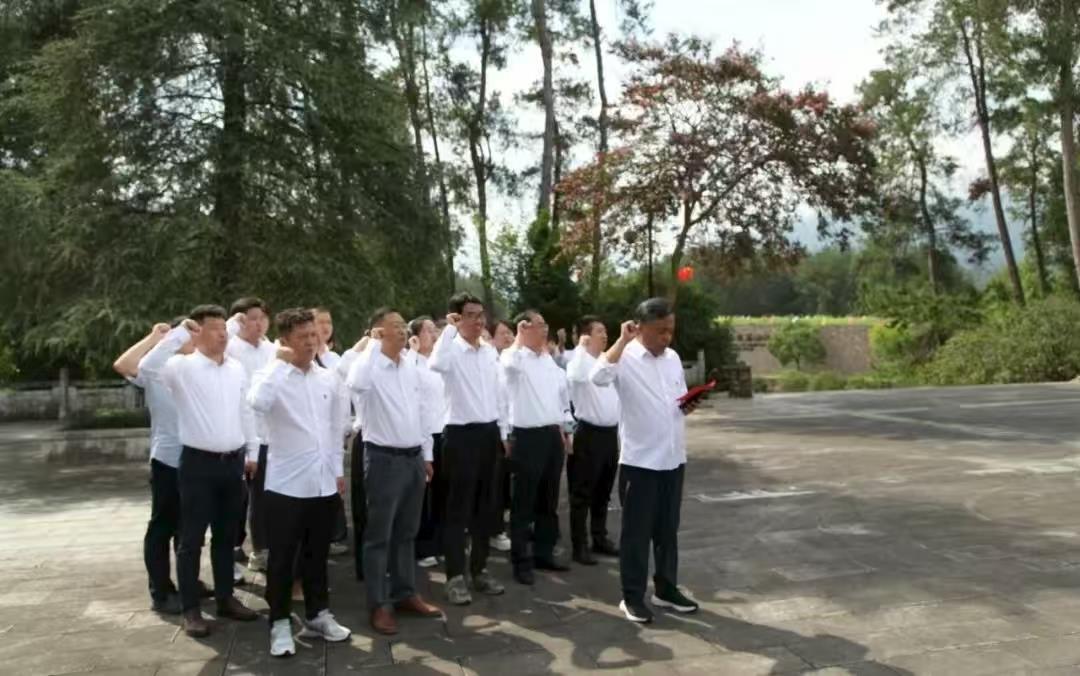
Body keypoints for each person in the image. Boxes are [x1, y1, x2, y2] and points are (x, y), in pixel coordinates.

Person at [139, 304, 260, 637]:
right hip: (197, 464)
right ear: (198, 332)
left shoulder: (235, 368)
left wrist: (252, 450)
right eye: (214, 328)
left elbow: (245, 411)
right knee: (191, 539)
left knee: (226, 536)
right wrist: (178, 335)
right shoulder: (182, 367)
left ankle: (225, 598)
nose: (223, 334)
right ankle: (191, 610)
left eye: (224, 327)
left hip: (232, 462)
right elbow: (147, 368)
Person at [247, 308, 352, 657]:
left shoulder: (328, 378)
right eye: (302, 337)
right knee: (281, 559)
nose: (310, 342)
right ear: (285, 341)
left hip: (322, 482)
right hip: (286, 485)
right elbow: (257, 402)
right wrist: (279, 363)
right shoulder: (271, 375)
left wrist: (337, 472)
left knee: (317, 555)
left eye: (313, 335)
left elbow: (336, 429)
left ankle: (318, 614)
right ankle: (279, 622)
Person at [590, 298, 700, 624]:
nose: (667, 337)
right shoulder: (625, 357)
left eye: (671, 330)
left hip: (673, 458)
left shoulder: (673, 358)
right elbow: (597, 377)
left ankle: (665, 589)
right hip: (640, 463)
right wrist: (621, 341)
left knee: (667, 531)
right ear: (640, 328)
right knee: (636, 535)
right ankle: (632, 597)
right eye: (660, 330)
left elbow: (675, 399)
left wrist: (687, 405)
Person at [346, 308, 443, 635]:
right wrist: (372, 347)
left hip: (413, 458)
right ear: (378, 332)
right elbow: (355, 383)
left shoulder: (410, 366)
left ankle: (405, 593)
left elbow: (422, 412)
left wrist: (427, 454)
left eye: (404, 326)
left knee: (406, 532)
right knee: (379, 536)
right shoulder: (369, 367)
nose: (403, 331)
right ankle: (379, 604)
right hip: (383, 459)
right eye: (395, 327)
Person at [114, 319, 205, 614]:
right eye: (188, 334)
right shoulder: (156, 370)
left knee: (189, 528)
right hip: (168, 459)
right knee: (163, 526)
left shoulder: (200, 369)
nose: (194, 340)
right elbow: (124, 364)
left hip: (197, 460)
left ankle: (189, 581)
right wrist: (155, 337)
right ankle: (161, 590)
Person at [429, 292, 507, 605]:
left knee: (485, 508)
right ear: (457, 318)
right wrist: (449, 329)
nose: (478, 321)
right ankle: (455, 576)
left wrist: (502, 431)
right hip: (460, 435)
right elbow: (435, 363)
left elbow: (499, 393)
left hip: (489, 433)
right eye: (470, 315)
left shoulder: (489, 352)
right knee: (457, 510)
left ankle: (479, 570)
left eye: (480, 315)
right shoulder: (450, 350)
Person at [500, 310, 573, 585]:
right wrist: (518, 339)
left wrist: (565, 428)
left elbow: (561, 396)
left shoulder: (548, 360)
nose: (545, 330)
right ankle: (521, 561)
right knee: (524, 502)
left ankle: (544, 552)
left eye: (545, 325)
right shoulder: (514, 357)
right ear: (525, 328)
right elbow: (508, 367)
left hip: (552, 434)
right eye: (539, 325)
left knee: (548, 499)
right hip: (526, 436)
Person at [226, 297, 276, 575]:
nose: (258, 323)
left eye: (262, 318)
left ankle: (264, 548)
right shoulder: (230, 348)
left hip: (270, 434)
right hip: (239, 434)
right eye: (251, 318)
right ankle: (243, 547)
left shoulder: (272, 349)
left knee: (264, 496)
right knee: (241, 499)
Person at [565, 316, 621, 566]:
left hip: (610, 435)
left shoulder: (606, 361)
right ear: (586, 336)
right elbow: (576, 377)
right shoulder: (579, 361)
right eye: (599, 331)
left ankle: (600, 537)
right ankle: (580, 545)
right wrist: (581, 346)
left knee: (603, 492)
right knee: (582, 493)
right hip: (588, 434)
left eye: (605, 330)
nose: (605, 335)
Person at [409, 316, 449, 568]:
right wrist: (412, 353)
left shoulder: (437, 364)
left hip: (443, 432)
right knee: (424, 495)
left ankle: (441, 542)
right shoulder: (410, 363)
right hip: (422, 435)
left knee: (443, 492)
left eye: (435, 330)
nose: (434, 335)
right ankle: (423, 547)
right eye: (428, 331)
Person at [312, 306, 347, 556]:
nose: (325, 327)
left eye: (329, 322)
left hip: (337, 430)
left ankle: (334, 535)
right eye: (320, 321)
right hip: (315, 434)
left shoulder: (335, 359)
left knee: (334, 483)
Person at [487, 318, 515, 554]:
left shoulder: (509, 360)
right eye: (502, 333)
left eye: (510, 333)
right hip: (494, 429)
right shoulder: (494, 363)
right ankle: (493, 529)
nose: (508, 337)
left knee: (505, 482)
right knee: (493, 484)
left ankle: (501, 522)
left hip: (511, 427)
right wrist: (503, 432)